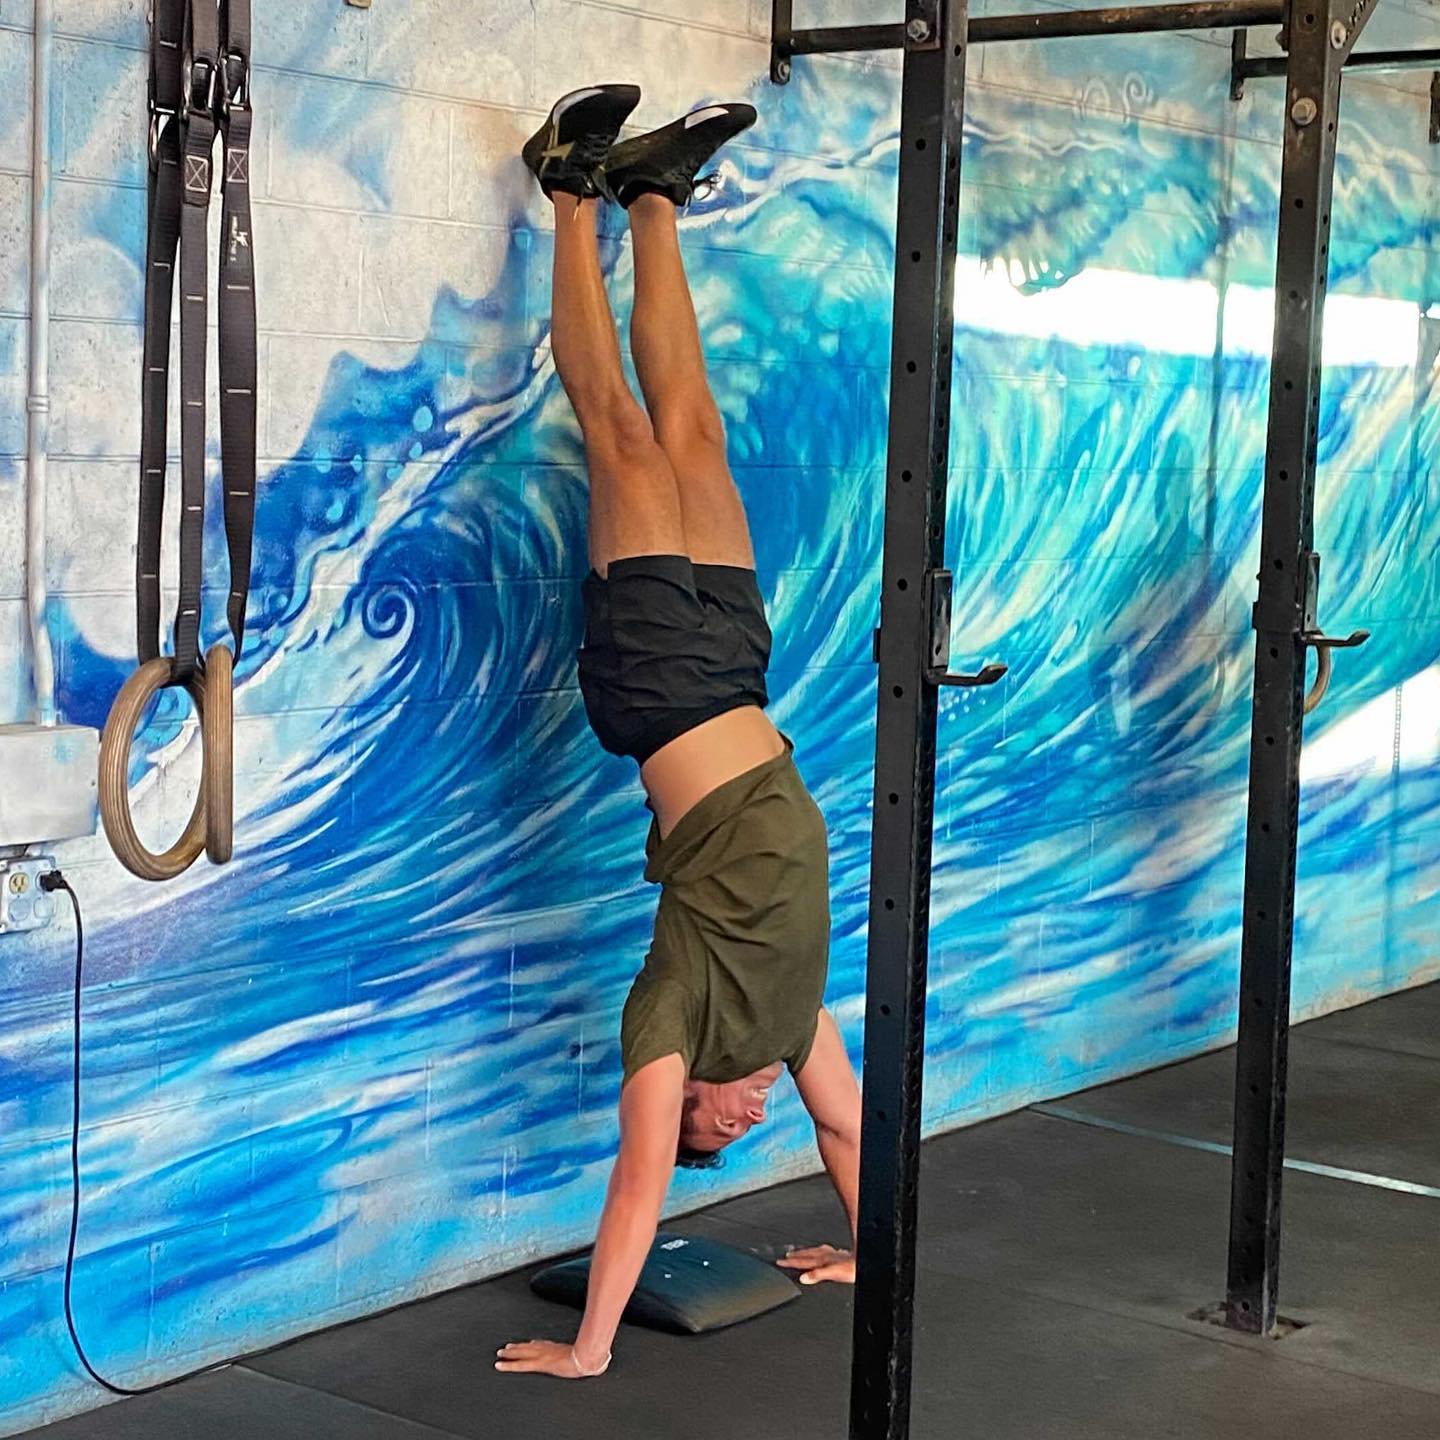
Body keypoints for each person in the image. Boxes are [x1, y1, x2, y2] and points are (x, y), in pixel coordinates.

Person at [496, 87, 864, 1381]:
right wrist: (874, 1253)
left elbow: (638, 1188)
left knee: (624, 437)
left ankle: (565, 188)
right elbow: (848, 1132)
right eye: (746, 1124)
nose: (746, 1117)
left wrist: (590, 1350)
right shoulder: (789, 1026)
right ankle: (653, 196)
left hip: (658, 689)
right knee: (696, 427)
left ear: (691, 1095)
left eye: (721, 1124)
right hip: (742, 673)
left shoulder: (672, 1023)